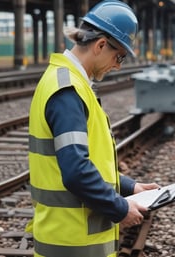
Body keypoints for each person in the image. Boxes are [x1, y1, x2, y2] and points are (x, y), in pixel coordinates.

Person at [27, 1, 158, 256]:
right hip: (73, 244)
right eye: (119, 56)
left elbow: (83, 162)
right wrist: (120, 209)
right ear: (100, 45)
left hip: (70, 238)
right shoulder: (67, 91)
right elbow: (76, 171)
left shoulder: (66, 82)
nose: (118, 65)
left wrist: (130, 187)